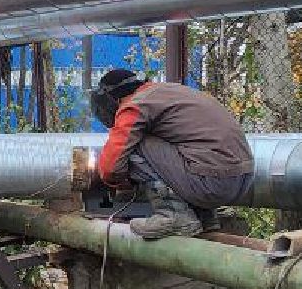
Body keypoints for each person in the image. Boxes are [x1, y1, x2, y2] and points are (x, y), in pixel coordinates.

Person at [91, 68, 254, 239]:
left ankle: (173, 216)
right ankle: (203, 216)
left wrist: (120, 183)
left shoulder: (135, 105)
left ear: (114, 99)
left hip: (213, 183)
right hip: (242, 180)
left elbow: (111, 167)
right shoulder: (166, 92)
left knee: (134, 146)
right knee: (185, 148)